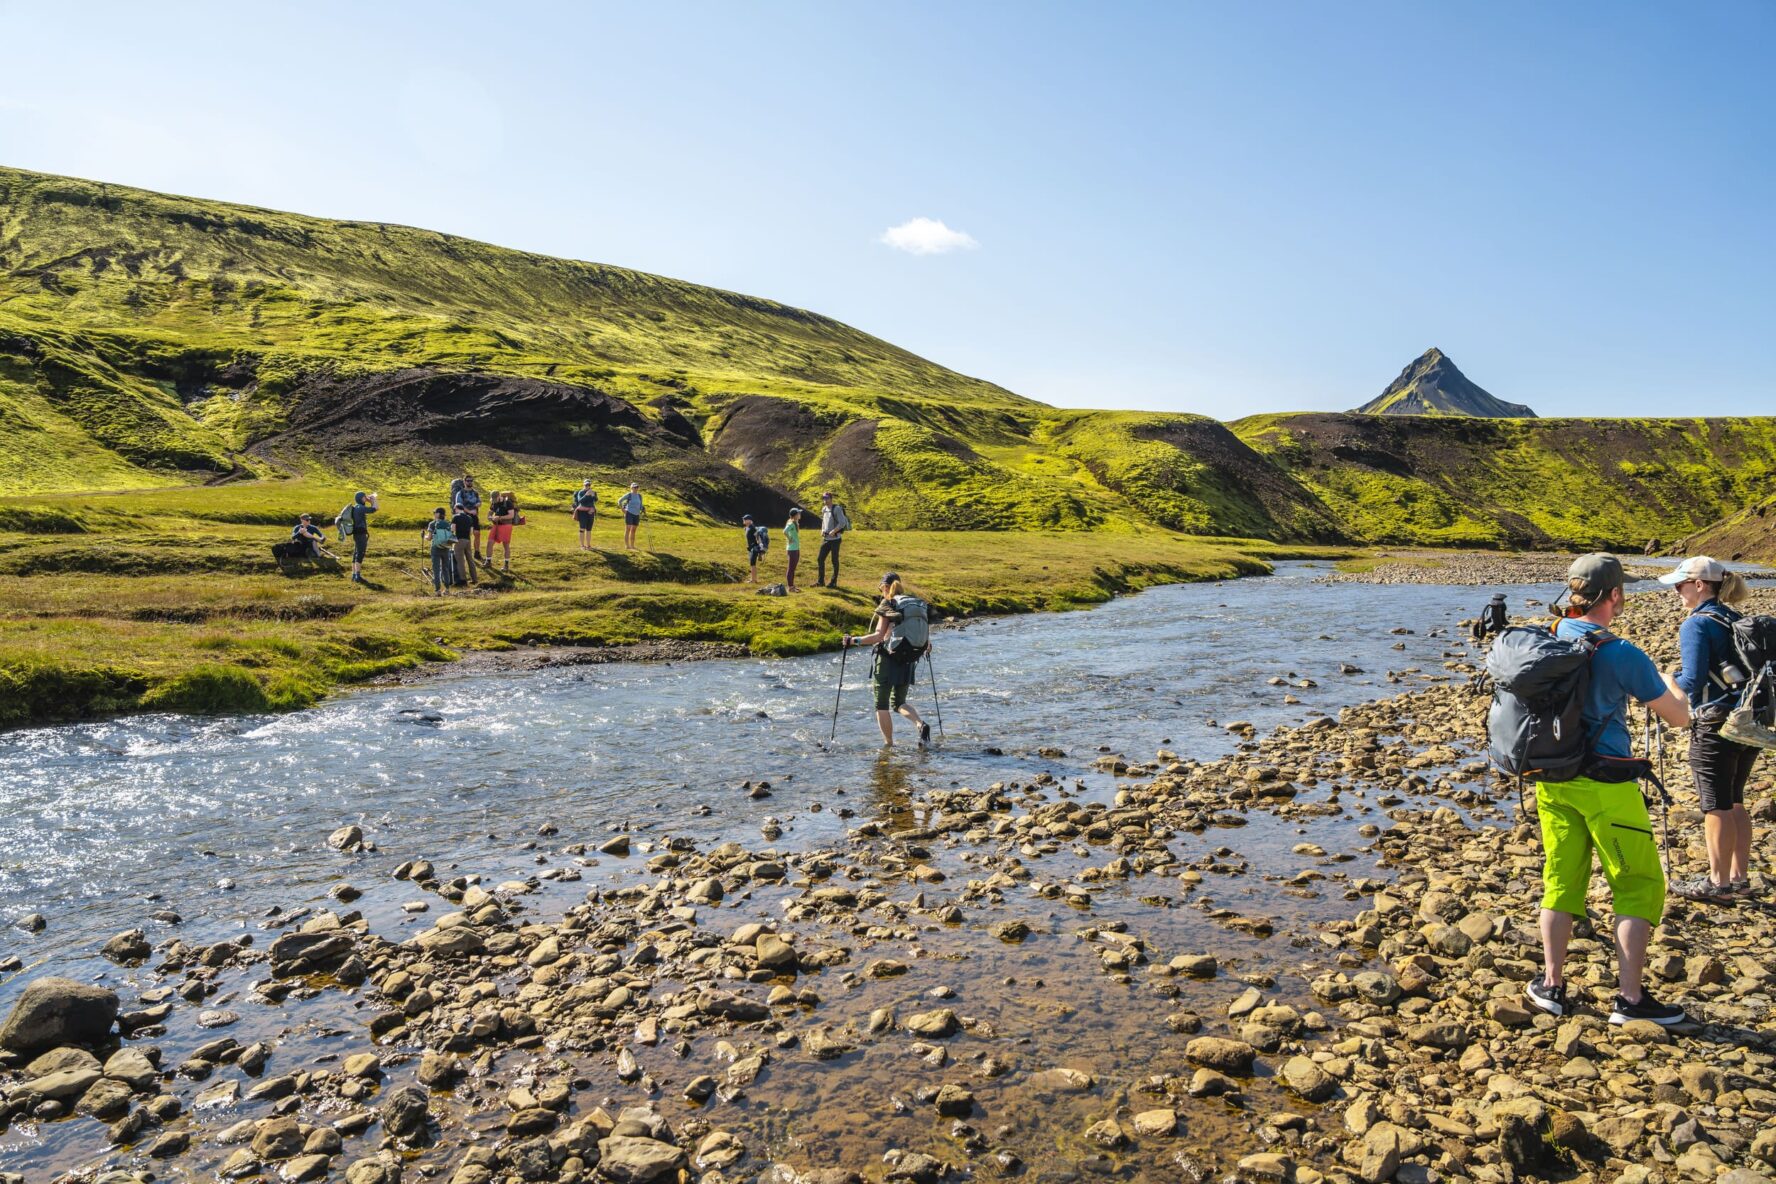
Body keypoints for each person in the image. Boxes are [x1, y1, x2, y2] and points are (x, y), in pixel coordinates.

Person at [1525, 554, 1691, 1027]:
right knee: (1637, 885)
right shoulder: (1621, 653)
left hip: (1552, 779)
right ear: (1615, 595)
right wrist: (1668, 682)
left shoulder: (1550, 636)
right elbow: (1677, 717)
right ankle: (1630, 999)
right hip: (1607, 784)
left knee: (1561, 877)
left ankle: (1552, 985)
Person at [1662, 556, 1759, 901]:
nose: (1676, 591)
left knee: (1715, 805)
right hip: (1748, 720)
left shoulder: (1696, 624)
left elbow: (1692, 680)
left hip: (1715, 722)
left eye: (1679, 585)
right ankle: (1739, 879)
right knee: (1734, 800)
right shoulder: (1735, 617)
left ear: (1699, 585)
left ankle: (1717, 885)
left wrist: (1662, 680)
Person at [842, 572, 931, 748]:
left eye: (881, 588)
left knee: (881, 706)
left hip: (887, 660)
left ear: (885, 587)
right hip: (908, 660)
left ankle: (889, 746)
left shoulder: (889, 604)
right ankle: (921, 725)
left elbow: (878, 636)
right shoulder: (912, 604)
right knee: (899, 703)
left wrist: (854, 640)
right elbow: (926, 640)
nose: (881, 591)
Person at [340, 491, 378, 584]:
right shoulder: (360, 507)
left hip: (356, 533)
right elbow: (375, 508)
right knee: (360, 553)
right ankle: (357, 575)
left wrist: (368, 499)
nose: (366, 498)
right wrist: (373, 499)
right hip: (360, 534)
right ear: (361, 498)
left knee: (356, 553)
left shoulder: (357, 507)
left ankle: (354, 575)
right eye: (364, 497)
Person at [815, 491, 851, 587]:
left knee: (834, 560)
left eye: (826, 498)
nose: (825, 500)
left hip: (835, 539)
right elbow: (823, 521)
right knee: (820, 559)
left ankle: (833, 582)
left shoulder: (837, 509)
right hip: (826, 539)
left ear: (831, 499)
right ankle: (820, 581)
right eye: (823, 498)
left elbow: (842, 522)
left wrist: (834, 531)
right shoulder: (824, 509)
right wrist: (822, 530)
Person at [421, 507, 456, 593]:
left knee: (436, 569)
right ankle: (447, 589)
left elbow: (429, 538)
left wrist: (423, 536)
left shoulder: (432, 524)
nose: (434, 514)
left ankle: (438, 590)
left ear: (438, 514)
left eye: (434, 513)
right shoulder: (448, 524)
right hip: (446, 548)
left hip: (435, 548)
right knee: (445, 568)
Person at [452, 475, 484, 562]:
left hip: (474, 516)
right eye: (468, 481)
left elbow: (480, 501)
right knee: (465, 535)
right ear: (464, 482)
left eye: (471, 481)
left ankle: (477, 552)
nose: (470, 482)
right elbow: (459, 505)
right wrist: (470, 512)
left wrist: (478, 504)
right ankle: (463, 552)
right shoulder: (460, 493)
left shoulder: (475, 493)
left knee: (477, 533)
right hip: (463, 516)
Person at [488, 490, 520, 571]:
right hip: (496, 524)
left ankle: (506, 565)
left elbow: (511, 515)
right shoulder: (493, 502)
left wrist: (500, 517)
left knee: (505, 545)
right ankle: (488, 561)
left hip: (506, 525)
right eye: (493, 499)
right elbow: (490, 512)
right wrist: (489, 516)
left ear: (499, 496)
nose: (494, 501)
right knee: (490, 542)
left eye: (496, 499)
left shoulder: (508, 503)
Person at [451, 502, 478, 586]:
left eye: (454, 509)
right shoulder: (469, 518)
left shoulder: (455, 517)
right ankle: (474, 578)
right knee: (470, 559)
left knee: (460, 561)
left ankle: (463, 580)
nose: (454, 511)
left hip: (459, 540)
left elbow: (453, 529)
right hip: (468, 540)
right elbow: (471, 531)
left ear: (457, 508)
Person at [570, 480, 598, 550]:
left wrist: (593, 495)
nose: (587, 486)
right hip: (582, 513)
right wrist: (586, 495)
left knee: (589, 529)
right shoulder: (581, 492)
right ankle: (582, 545)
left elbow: (596, 500)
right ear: (583, 485)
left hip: (591, 512)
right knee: (582, 528)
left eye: (588, 485)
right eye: (586, 485)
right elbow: (580, 501)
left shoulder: (593, 492)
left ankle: (588, 545)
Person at [742, 514, 768, 583]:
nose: (744, 520)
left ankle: (754, 580)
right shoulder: (747, 528)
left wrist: (761, 546)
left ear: (750, 521)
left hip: (754, 548)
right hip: (751, 548)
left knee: (753, 564)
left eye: (745, 519)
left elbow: (758, 537)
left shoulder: (752, 528)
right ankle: (753, 579)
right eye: (744, 519)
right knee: (752, 564)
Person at [619, 482, 643, 551]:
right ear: (631, 488)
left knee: (633, 530)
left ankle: (632, 546)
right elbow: (619, 501)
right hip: (629, 513)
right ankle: (627, 546)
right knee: (628, 529)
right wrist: (623, 509)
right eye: (634, 487)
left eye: (637, 487)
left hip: (637, 514)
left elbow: (640, 505)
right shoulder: (629, 495)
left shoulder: (640, 496)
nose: (636, 488)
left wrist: (642, 508)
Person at [784, 507, 804, 592]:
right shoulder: (791, 523)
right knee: (791, 568)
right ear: (795, 515)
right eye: (798, 513)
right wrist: (789, 539)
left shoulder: (795, 523)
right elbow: (784, 531)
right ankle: (790, 587)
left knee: (793, 568)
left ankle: (792, 585)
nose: (800, 514)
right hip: (792, 549)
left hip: (796, 548)